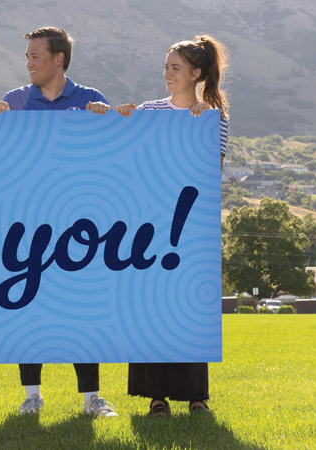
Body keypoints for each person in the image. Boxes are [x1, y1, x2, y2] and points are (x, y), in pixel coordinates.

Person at [0, 26, 117, 418]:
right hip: (26, 223)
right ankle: (31, 395)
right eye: (26, 56)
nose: (27, 62)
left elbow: (116, 156)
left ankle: (92, 398)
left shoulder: (91, 100)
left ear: (58, 59)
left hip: (79, 225)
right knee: (28, 309)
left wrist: (108, 122)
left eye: (34, 56)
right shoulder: (14, 101)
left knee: (82, 310)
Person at [113, 35, 230, 416]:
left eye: (174, 68)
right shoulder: (149, 110)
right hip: (148, 228)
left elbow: (213, 173)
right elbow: (130, 160)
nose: (167, 73)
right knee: (151, 309)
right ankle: (156, 397)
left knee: (190, 310)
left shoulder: (214, 118)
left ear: (196, 73)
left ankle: (196, 397)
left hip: (192, 228)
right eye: (165, 66)